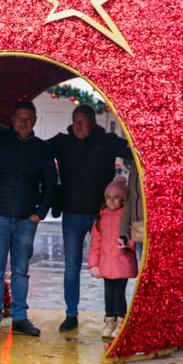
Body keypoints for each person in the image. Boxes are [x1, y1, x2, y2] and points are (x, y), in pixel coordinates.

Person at [0, 99, 56, 338]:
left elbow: (51, 183)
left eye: (28, 118)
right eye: (20, 117)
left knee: (21, 271)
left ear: (35, 121)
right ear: (12, 119)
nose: (24, 122)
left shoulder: (42, 149)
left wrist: (39, 214)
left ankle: (20, 318)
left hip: (25, 221)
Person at [48, 105, 130, 332]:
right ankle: (71, 314)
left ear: (93, 122)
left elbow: (133, 150)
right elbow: (35, 150)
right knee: (71, 266)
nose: (78, 125)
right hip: (72, 212)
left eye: (83, 121)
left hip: (102, 214)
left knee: (111, 264)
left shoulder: (106, 141)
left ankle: (113, 315)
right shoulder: (62, 142)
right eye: (75, 120)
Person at [88, 176, 139, 339]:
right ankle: (110, 320)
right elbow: (95, 242)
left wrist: (128, 243)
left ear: (123, 199)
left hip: (121, 263)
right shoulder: (101, 217)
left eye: (116, 197)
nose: (111, 201)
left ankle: (122, 321)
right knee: (108, 294)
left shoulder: (127, 217)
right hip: (106, 263)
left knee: (119, 293)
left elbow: (135, 237)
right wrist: (93, 264)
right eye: (108, 197)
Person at [118, 156, 144, 259]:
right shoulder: (135, 166)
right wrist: (123, 232)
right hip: (139, 229)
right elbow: (130, 201)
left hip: (154, 228)